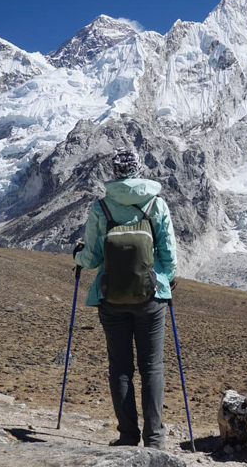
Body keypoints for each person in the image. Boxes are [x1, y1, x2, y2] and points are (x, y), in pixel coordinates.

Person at [73, 147, 177, 449]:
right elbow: (169, 257)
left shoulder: (101, 207)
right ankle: (155, 440)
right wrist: (165, 282)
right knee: (152, 367)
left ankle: (128, 437)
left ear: (114, 171)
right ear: (140, 168)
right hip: (151, 297)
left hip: (111, 297)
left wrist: (77, 256)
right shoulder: (156, 204)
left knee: (120, 367)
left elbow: (91, 259)